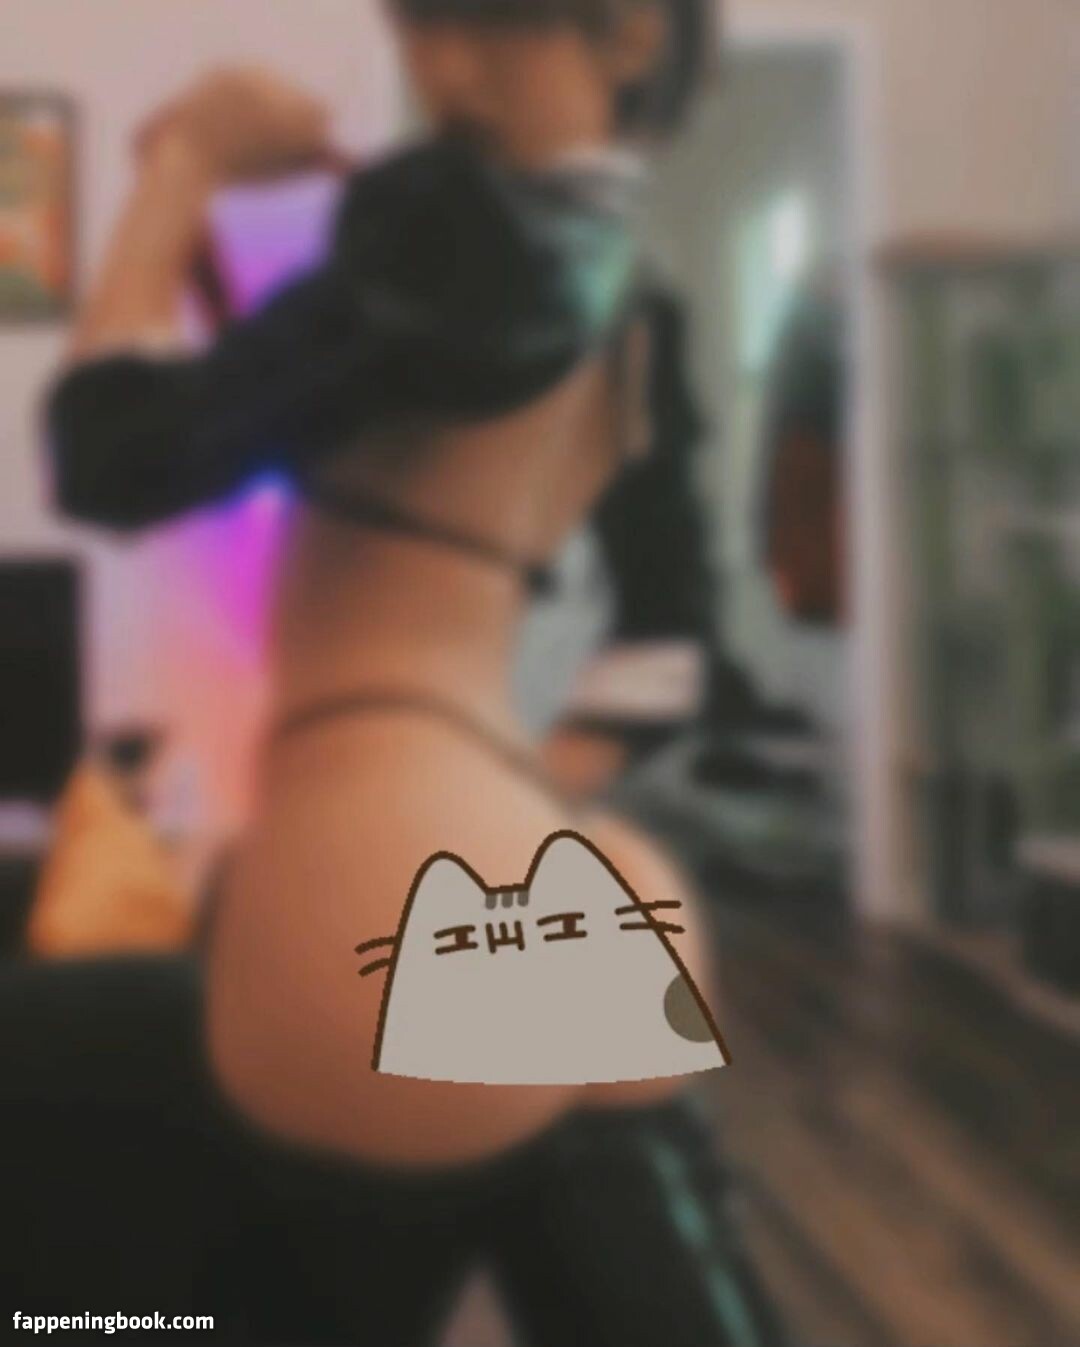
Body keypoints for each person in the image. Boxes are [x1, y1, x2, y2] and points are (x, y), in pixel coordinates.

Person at [29, 2, 788, 1341]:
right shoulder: (641, 296)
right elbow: (669, 652)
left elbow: (112, 457)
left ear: (626, 36)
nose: (441, 71)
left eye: (490, 26)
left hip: (387, 869)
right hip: (540, 845)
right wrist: (504, 816)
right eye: (422, 27)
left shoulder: (449, 234)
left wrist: (184, 166)